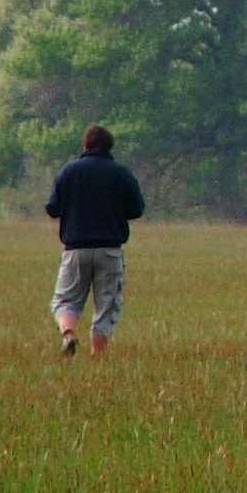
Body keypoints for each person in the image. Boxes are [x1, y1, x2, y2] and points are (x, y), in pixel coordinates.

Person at [45, 124, 147, 358]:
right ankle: (97, 354)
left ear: (85, 145)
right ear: (110, 146)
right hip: (109, 249)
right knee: (106, 305)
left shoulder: (69, 171)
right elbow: (136, 210)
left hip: (75, 249)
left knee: (66, 299)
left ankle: (68, 334)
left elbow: (52, 208)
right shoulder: (121, 173)